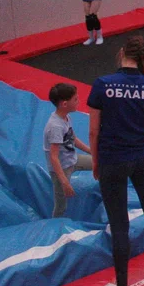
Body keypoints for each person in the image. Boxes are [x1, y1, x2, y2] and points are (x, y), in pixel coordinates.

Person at [87, 36, 144, 286]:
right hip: (143, 159)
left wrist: (96, 160)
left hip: (113, 159)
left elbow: (93, 131)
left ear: (122, 52)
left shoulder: (103, 85)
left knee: (119, 223)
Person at [45, 83, 93, 218]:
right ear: (65, 104)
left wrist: (91, 152)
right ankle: (55, 226)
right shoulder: (55, 126)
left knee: (100, 163)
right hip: (62, 168)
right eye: (75, 99)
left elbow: (73, 138)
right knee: (61, 205)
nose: (79, 101)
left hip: (73, 159)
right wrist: (64, 182)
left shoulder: (66, 117)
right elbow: (53, 157)